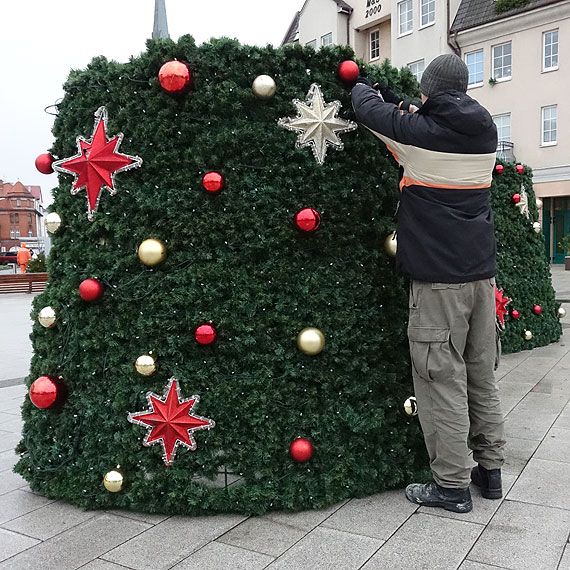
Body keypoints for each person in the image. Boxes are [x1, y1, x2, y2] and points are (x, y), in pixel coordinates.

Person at [351, 54, 505, 514]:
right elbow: (416, 119)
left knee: (440, 378)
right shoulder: (485, 130)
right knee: (482, 375)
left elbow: (370, 113)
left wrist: (363, 84)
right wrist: (405, 102)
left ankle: (451, 486)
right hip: (482, 276)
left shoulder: (421, 138)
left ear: (431, 92)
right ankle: (490, 472)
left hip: (439, 282)